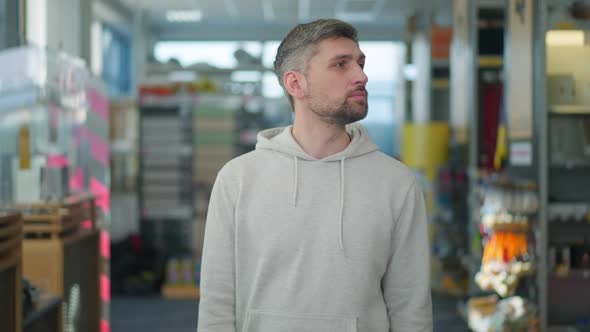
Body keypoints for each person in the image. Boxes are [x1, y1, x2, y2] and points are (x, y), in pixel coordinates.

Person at [197, 19, 433, 332]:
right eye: (340, 64)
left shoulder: (397, 183)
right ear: (295, 84)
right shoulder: (238, 178)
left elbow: (410, 308)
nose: (361, 75)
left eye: (360, 63)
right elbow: (217, 301)